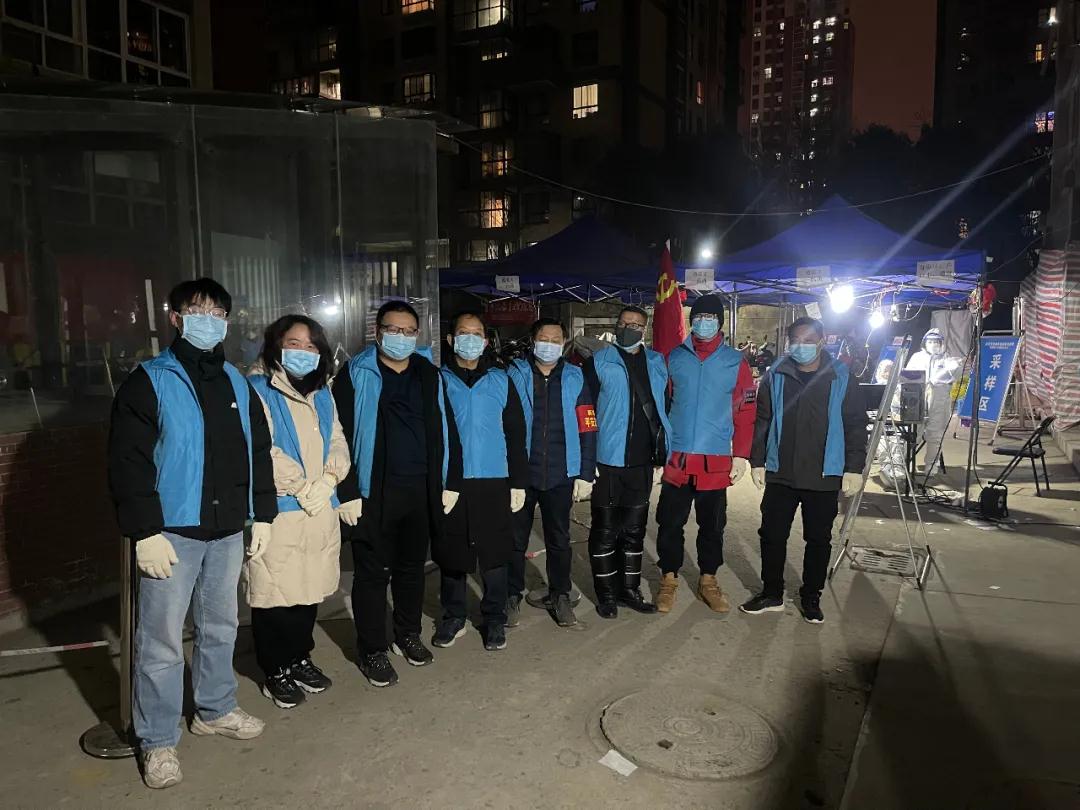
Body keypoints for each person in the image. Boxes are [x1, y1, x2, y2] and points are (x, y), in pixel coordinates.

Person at [108, 278, 276, 790]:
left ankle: (215, 708)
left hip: (226, 530)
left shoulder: (237, 382)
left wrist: (263, 515)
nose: (210, 321)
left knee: (220, 626)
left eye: (218, 313)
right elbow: (128, 460)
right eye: (198, 311)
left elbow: (257, 451)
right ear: (176, 318)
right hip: (173, 531)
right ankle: (158, 739)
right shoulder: (150, 381)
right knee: (160, 641)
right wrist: (145, 531)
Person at [332, 300, 448, 687]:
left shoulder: (429, 374)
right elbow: (338, 435)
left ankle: (407, 634)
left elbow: (444, 429)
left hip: (419, 487)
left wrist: (447, 482)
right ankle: (372, 649)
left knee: (412, 569)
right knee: (371, 574)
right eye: (393, 329)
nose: (401, 337)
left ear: (417, 335)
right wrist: (347, 489)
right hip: (373, 491)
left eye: (408, 331)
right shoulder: (355, 373)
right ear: (377, 331)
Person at [243, 315, 350, 709]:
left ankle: (300, 657)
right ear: (276, 344)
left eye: (311, 346)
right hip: (282, 508)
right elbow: (260, 447)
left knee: (308, 591)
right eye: (294, 343)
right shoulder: (258, 388)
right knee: (274, 594)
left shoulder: (322, 392)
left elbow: (337, 438)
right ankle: (275, 669)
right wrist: (302, 486)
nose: (303, 352)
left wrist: (329, 479)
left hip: (320, 507)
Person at [741, 317, 867, 624]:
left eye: (809, 340)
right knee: (772, 535)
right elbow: (763, 419)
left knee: (818, 539)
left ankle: (811, 596)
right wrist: (757, 461)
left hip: (824, 473)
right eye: (796, 340)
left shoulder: (841, 376)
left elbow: (854, 423)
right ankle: (772, 593)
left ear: (822, 341)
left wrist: (853, 467)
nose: (802, 346)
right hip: (782, 471)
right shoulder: (776, 375)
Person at [655, 296, 756, 614]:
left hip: (715, 460)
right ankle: (668, 578)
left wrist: (741, 454)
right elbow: (665, 403)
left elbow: (745, 410)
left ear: (720, 323)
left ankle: (708, 580)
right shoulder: (675, 358)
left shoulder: (735, 362)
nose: (704, 323)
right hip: (679, 458)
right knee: (669, 522)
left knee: (712, 526)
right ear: (691, 321)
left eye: (711, 318)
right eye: (699, 317)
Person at [435, 311, 528, 651]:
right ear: (451, 339)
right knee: (452, 553)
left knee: (494, 554)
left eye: (477, 334)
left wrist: (518, 480)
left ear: (486, 341)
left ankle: (494, 618)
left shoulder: (501, 380)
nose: (470, 339)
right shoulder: (439, 380)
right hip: (452, 481)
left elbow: (516, 433)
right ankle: (454, 616)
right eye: (464, 333)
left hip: (494, 478)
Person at [506, 318, 598, 628]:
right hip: (522, 473)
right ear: (533, 341)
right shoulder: (515, 374)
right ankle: (511, 594)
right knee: (515, 539)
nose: (549, 345)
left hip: (561, 472)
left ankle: (560, 595)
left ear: (564, 343)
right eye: (543, 339)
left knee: (559, 539)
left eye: (555, 340)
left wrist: (586, 472)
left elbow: (588, 424)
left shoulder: (575, 377)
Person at [583, 305, 672, 619]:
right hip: (607, 461)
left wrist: (662, 450)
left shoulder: (657, 362)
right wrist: (588, 455)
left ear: (644, 330)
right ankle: (606, 594)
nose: (629, 328)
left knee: (634, 530)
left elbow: (663, 406)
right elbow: (585, 410)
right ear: (616, 325)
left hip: (642, 463)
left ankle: (629, 590)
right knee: (605, 530)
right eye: (624, 323)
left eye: (636, 324)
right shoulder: (598, 361)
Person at [905, 327, 961, 476]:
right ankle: (904, 462)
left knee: (935, 435)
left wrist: (955, 367)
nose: (933, 344)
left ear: (941, 343)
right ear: (924, 342)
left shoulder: (947, 359)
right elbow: (907, 378)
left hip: (939, 402)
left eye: (936, 341)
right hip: (917, 399)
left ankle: (931, 465)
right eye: (930, 341)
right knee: (913, 433)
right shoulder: (916, 357)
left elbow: (955, 374)